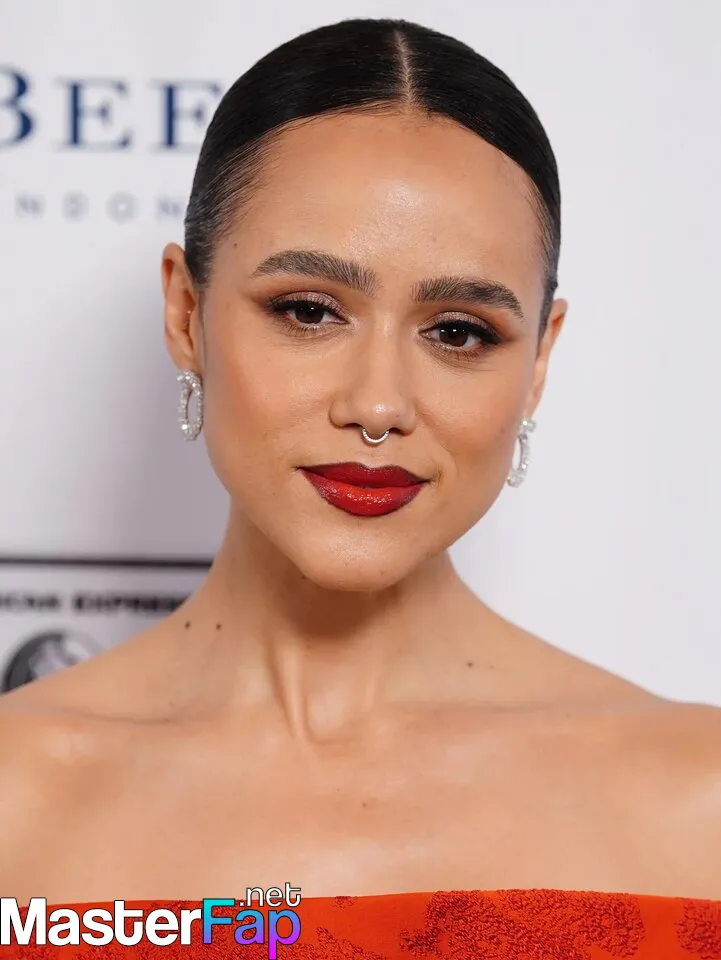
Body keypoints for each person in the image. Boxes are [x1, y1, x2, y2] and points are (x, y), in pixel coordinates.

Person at [0, 16, 719, 956]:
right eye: (308, 311)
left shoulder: (696, 809)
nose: (377, 405)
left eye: (458, 331)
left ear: (538, 360)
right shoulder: (16, 798)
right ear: (185, 313)